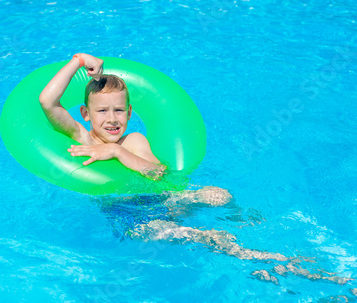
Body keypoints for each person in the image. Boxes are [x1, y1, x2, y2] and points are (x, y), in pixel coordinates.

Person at [39, 53, 354, 288]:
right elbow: (47, 102)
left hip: (160, 199)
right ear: (85, 113)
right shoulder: (81, 137)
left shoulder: (132, 140)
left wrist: (116, 151)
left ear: (131, 112)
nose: (111, 118)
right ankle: (283, 265)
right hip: (131, 217)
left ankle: (257, 234)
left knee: (219, 195)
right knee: (210, 236)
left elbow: (156, 173)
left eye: (119, 109)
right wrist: (78, 60)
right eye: (102, 111)